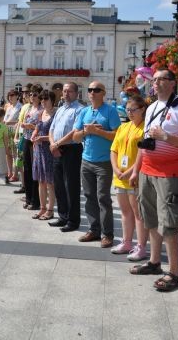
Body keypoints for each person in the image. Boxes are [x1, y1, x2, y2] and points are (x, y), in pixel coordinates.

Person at [128, 69, 178, 292]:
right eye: (154, 79)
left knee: (169, 224)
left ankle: (174, 272)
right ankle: (155, 262)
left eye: (161, 79)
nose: (155, 83)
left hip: (169, 173)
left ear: (173, 83)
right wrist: (136, 170)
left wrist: (167, 137)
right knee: (151, 220)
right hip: (148, 170)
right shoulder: (152, 107)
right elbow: (145, 142)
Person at [72, 82, 121, 248]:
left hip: (104, 162)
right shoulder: (84, 112)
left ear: (103, 93)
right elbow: (75, 137)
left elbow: (117, 136)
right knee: (89, 196)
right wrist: (86, 131)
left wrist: (98, 131)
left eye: (96, 90)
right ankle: (94, 230)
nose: (92, 92)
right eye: (90, 89)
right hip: (86, 160)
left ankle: (107, 234)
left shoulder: (110, 111)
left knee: (103, 198)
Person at [109, 95, 149, 260]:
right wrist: (116, 168)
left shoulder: (145, 128)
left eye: (134, 110)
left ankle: (141, 246)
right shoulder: (123, 127)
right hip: (120, 176)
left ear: (142, 110)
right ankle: (126, 242)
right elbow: (114, 150)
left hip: (135, 176)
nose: (130, 113)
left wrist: (130, 171)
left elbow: (145, 154)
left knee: (137, 213)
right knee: (125, 212)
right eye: (128, 109)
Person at [48, 82, 83, 232]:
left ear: (76, 93)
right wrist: (52, 144)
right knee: (59, 184)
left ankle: (73, 220)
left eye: (69, 91)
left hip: (71, 149)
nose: (66, 94)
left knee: (71, 186)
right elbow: (52, 128)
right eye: (64, 91)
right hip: (56, 148)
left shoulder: (80, 110)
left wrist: (57, 144)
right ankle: (62, 216)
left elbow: (75, 132)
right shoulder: (60, 109)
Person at [30, 90, 57, 220]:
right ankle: (42, 208)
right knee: (41, 181)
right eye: (42, 99)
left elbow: (56, 136)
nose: (43, 101)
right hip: (38, 151)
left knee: (50, 182)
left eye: (46, 99)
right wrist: (34, 135)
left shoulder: (56, 114)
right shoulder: (41, 113)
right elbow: (37, 128)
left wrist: (42, 138)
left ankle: (50, 210)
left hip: (49, 151)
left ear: (52, 100)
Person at [19, 85, 43, 210]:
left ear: (40, 96)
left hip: (35, 142)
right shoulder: (29, 108)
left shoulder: (41, 110)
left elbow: (42, 127)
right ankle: (28, 198)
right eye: (31, 94)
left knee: (34, 171)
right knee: (26, 168)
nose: (31, 97)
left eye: (34, 95)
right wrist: (24, 126)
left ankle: (35, 201)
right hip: (27, 139)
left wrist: (30, 126)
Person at [13, 85, 33, 195]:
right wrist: (16, 136)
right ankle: (24, 184)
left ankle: (27, 186)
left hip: (28, 137)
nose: (24, 94)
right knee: (20, 163)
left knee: (27, 164)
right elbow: (20, 122)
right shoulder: (24, 107)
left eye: (27, 92)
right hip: (21, 136)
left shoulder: (33, 106)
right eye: (23, 92)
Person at [3, 90, 22, 181]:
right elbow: (4, 118)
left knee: (15, 154)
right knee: (8, 153)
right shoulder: (9, 107)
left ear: (17, 96)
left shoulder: (20, 107)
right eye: (9, 95)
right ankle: (10, 172)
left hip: (15, 132)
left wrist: (8, 122)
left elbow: (20, 121)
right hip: (7, 132)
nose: (10, 97)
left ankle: (15, 174)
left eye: (12, 95)